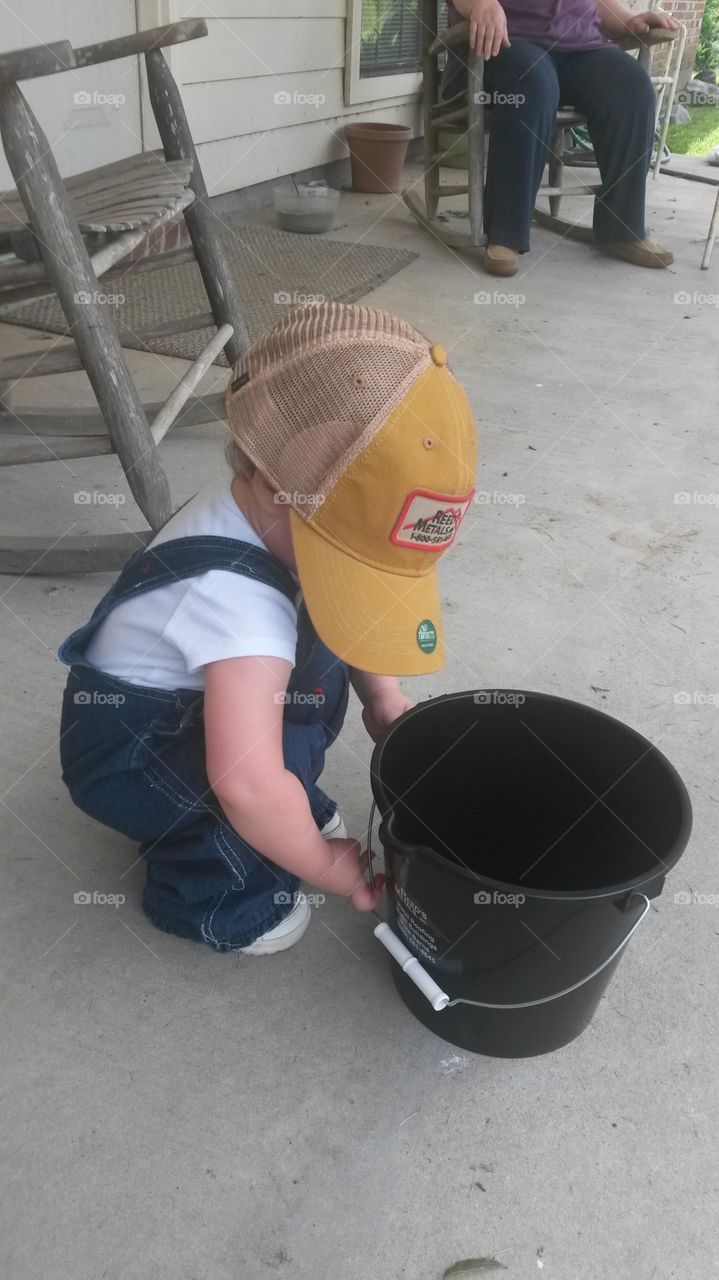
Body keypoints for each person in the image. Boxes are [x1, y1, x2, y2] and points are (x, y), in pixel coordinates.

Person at [58, 302, 478, 955]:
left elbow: (353, 619)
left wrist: (383, 697)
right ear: (268, 482)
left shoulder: (266, 515)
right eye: (345, 558)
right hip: (136, 754)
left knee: (313, 669)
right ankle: (215, 895)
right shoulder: (235, 607)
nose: (347, 580)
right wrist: (321, 864)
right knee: (249, 795)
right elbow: (246, 784)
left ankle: (286, 802)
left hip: (209, 703)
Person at [444, 0, 678, 275]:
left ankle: (622, 229)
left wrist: (627, 19)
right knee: (533, 83)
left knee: (632, 88)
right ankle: (505, 235)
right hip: (508, 42)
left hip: (582, 48)